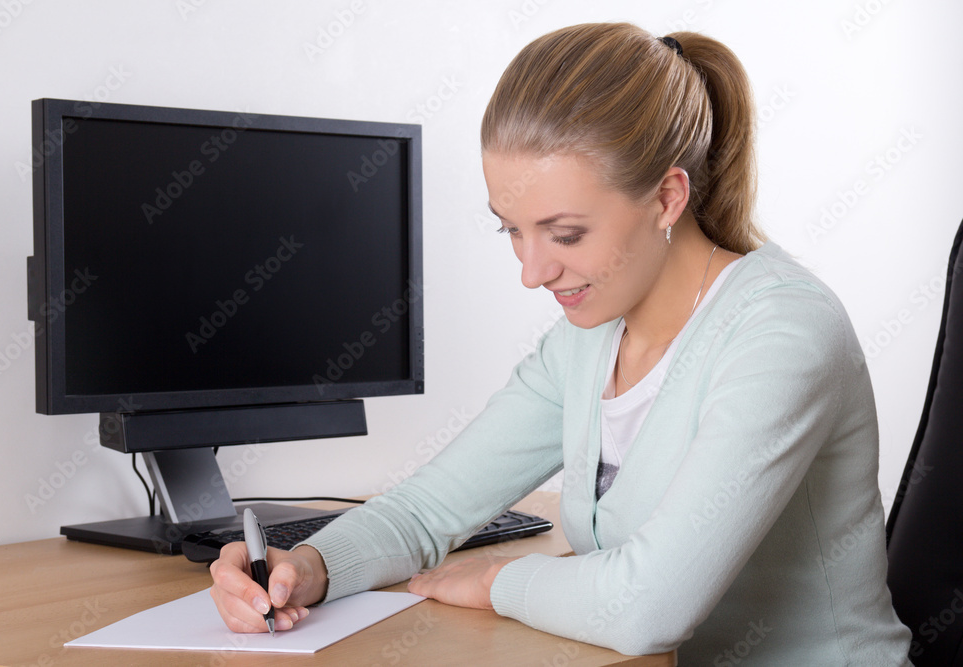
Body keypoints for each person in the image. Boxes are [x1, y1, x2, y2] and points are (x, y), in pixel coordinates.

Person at [210, 22, 912, 663]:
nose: (532, 271)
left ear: (668, 198)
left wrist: (499, 579)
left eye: (565, 234)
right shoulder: (588, 336)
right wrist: (308, 567)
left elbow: (649, 604)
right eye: (511, 228)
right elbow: (425, 512)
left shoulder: (781, 333)